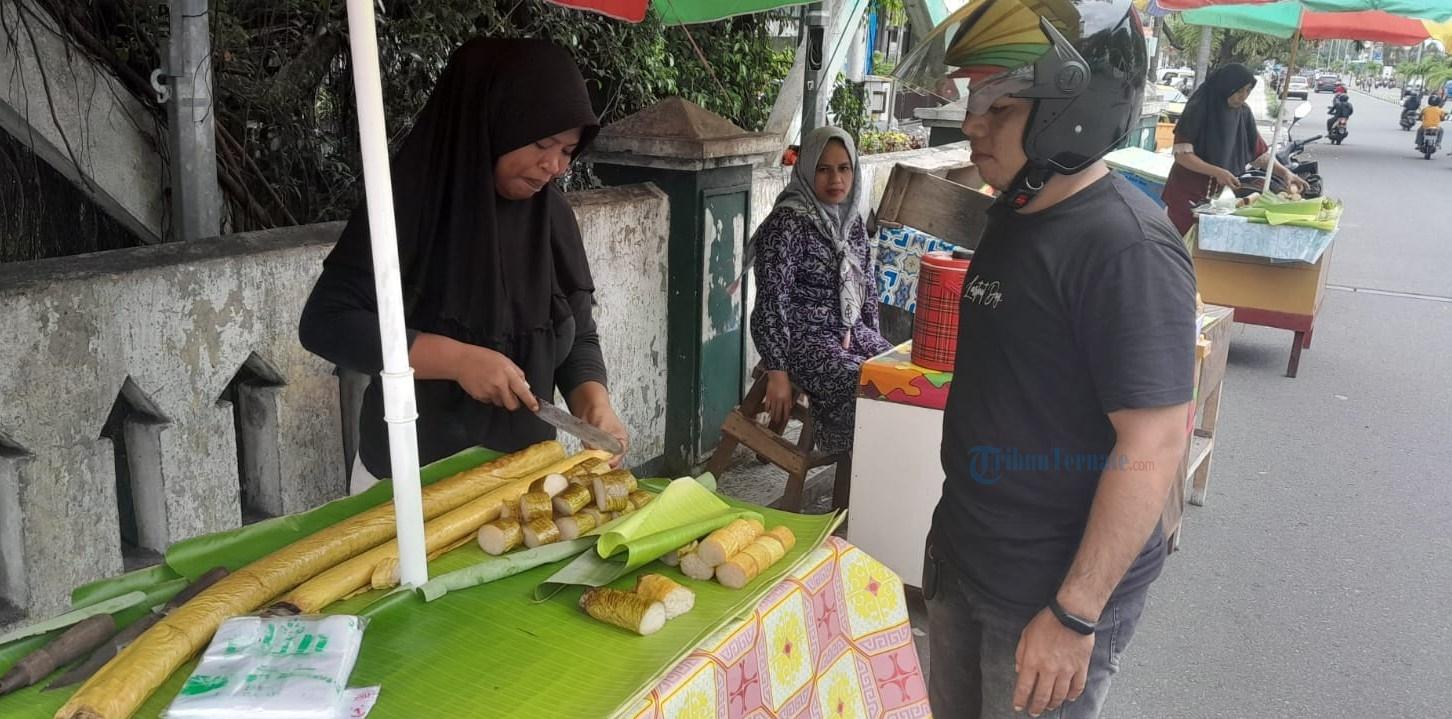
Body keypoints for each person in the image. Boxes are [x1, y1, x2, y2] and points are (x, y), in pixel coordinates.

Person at [895, 0, 1197, 716]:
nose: (973, 123)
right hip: (966, 560)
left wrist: (1074, 614)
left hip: (1047, 595)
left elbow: (1154, 441)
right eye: (975, 100)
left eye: (999, 106)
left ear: (1073, 112)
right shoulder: (1016, 211)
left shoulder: (1126, 249)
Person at [300, 38, 629, 494]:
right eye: (542, 143)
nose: (554, 165)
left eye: (568, 150)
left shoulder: (550, 215)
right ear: (494, 122)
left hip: (526, 484)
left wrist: (594, 405)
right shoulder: (407, 206)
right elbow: (325, 322)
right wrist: (457, 360)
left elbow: (577, 332)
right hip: (408, 486)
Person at [746, 127, 893, 453]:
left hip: (850, 331)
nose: (835, 179)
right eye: (823, 169)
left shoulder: (851, 222)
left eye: (844, 168)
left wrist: (873, 343)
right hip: (802, 339)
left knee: (898, 376)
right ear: (807, 169)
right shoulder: (787, 223)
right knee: (861, 384)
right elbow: (771, 300)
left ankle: (879, 463)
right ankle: (855, 463)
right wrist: (777, 371)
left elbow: (866, 287)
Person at [1160, 63, 1307, 235]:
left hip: (1221, 200)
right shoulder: (1198, 109)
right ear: (1225, 87)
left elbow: (1259, 156)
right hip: (1187, 195)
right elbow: (1182, 155)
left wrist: (1285, 173)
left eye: (1248, 91)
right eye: (1239, 91)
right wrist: (1217, 172)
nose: (1243, 96)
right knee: (1183, 244)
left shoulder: (1243, 113)